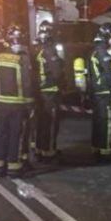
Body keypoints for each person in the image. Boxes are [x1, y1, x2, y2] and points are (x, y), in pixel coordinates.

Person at [0, 24, 36, 178]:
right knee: (17, 135)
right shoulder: (23, 58)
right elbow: (26, 82)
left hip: (2, 104)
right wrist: (30, 104)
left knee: (1, 134)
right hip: (19, 104)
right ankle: (14, 167)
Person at [88, 22, 111, 164]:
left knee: (99, 121)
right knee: (107, 121)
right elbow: (109, 71)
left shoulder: (96, 49)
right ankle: (106, 151)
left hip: (97, 91)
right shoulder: (101, 50)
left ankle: (97, 148)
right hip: (104, 91)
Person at [33, 20, 64, 162]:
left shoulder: (34, 49)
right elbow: (57, 73)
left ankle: (39, 149)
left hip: (38, 92)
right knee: (51, 123)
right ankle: (49, 151)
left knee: (40, 122)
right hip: (50, 91)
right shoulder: (50, 50)